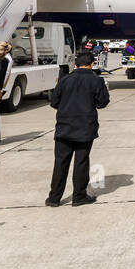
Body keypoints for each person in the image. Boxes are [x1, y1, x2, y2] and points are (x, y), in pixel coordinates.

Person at [46, 50, 110, 206]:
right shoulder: (97, 81)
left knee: (60, 163)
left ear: (75, 64)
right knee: (81, 162)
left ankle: (54, 198)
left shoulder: (64, 80)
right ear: (92, 64)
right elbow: (102, 103)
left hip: (64, 127)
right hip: (85, 128)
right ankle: (79, 196)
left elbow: (54, 102)